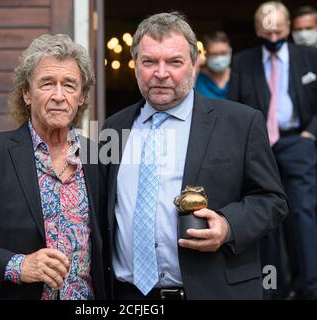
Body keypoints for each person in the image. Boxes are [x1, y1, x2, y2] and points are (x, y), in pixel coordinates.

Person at [101, 12, 288, 300]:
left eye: (174, 62)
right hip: (129, 297)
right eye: (149, 61)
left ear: (194, 65)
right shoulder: (112, 128)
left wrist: (227, 226)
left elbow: (272, 201)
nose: (161, 73)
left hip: (214, 291)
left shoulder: (241, 122)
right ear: (135, 66)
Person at [0, 34, 106, 300]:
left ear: (81, 97)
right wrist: (17, 265)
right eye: (47, 83)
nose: (59, 96)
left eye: (69, 85)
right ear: (26, 93)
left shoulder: (98, 156)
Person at [228, 1, 317, 300]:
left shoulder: (309, 56)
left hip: (297, 142)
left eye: (279, 31)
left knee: (303, 212)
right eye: (268, 32)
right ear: (257, 30)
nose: (274, 37)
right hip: (259, 147)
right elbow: (235, 106)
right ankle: (271, 290)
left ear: (288, 28)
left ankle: (310, 286)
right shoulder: (242, 62)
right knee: (264, 218)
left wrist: (310, 134)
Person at [195, 31, 232, 99]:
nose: (219, 58)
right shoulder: (197, 77)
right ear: (206, 54)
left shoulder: (238, 76)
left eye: (223, 53)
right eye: (214, 54)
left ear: (230, 51)